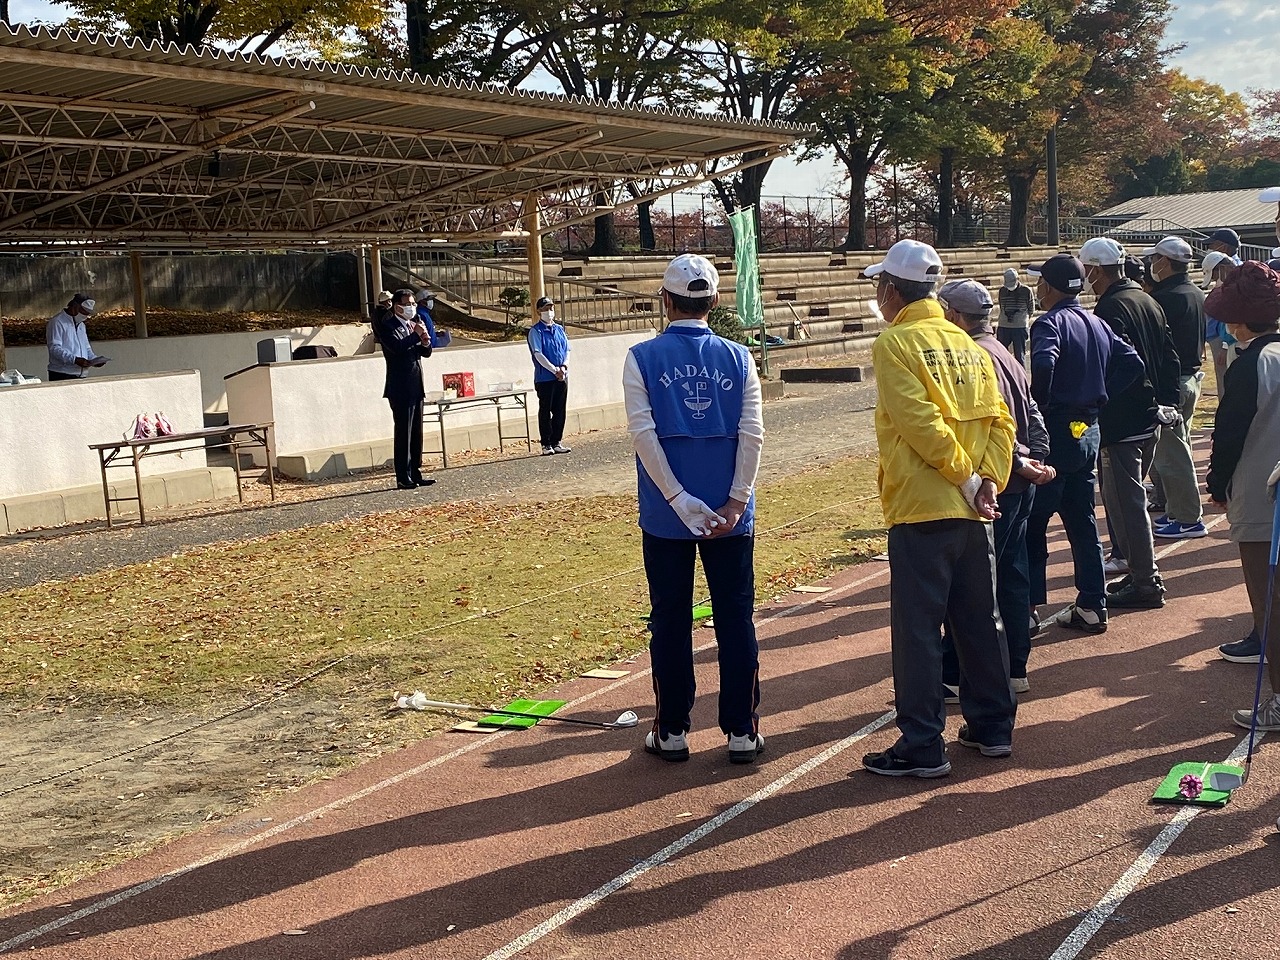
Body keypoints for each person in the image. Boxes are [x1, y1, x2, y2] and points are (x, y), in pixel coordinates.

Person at [861, 241, 1017, 779]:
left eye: (878, 286)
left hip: (923, 504)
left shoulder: (894, 342)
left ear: (890, 290)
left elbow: (919, 422)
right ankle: (993, 725)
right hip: (975, 508)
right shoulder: (968, 343)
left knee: (919, 630)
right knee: (980, 619)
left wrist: (967, 478)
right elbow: (1001, 420)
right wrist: (988, 480)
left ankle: (923, 741)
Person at [623, 254, 765, 764]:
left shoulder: (641, 357)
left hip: (666, 516)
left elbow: (644, 435)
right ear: (715, 300)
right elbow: (752, 434)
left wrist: (678, 499)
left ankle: (673, 730)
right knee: (735, 618)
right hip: (730, 515)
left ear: (666, 301)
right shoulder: (740, 357)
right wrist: (737, 499)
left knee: (669, 619)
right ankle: (742, 731)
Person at [939, 279, 1054, 700]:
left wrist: (1021, 461)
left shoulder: (973, 355)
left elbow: (994, 422)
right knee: (1012, 575)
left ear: (953, 314)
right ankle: (1015, 667)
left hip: (997, 481)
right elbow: (1032, 410)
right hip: (1019, 480)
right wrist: (1037, 457)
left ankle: (959, 673)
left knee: (976, 586)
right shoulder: (1005, 351)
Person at [1026, 254, 1144, 635]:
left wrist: (1039, 405)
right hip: (1088, 428)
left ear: (1049, 287)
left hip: (1058, 428)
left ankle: (1027, 608)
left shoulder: (1049, 323)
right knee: (1083, 520)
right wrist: (1102, 393)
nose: (1037, 288)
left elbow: (1044, 364)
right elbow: (1133, 363)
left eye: (1040, 282)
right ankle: (1093, 602)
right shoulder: (1097, 322)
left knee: (1033, 521)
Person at [1079, 237, 1181, 611]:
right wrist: (1167, 403)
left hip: (1126, 420)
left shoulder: (1111, 307)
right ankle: (1140, 572)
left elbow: (1125, 366)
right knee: (1127, 500)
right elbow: (1170, 356)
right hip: (1148, 417)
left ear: (1095, 270)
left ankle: (1145, 580)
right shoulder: (1146, 299)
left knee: (1126, 504)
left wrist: (1105, 403)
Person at [1204, 262, 1280, 732]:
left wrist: (1217, 485)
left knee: (1271, 604)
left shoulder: (1250, 364)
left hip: (1262, 498)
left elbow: (1228, 434)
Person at [1142, 237, 1207, 540]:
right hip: (1191, 378)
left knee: (1172, 454)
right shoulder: (1194, 292)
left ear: (1165, 261)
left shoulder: (1165, 297)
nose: (1151, 265)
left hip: (1173, 383)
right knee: (1179, 448)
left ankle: (1188, 517)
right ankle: (1178, 509)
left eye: (1154, 259)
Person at [372, 288, 434, 490]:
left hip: (416, 384)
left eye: (413, 304)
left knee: (416, 432)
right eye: (407, 304)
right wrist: (416, 336)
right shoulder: (388, 326)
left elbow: (424, 353)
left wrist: (425, 341)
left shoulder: (413, 324)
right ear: (397, 306)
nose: (411, 307)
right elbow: (396, 348)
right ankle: (403, 475)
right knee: (404, 432)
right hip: (400, 386)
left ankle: (416, 472)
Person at [528, 295, 571, 455]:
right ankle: (546, 443)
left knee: (560, 410)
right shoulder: (535, 331)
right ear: (539, 311)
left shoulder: (559, 329)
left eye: (551, 308)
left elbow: (567, 350)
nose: (549, 311)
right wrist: (554, 370)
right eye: (545, 308)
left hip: (562, 376)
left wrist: (564, 367)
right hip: (545, 378)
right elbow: (538, 354)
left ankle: (557, 441)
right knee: (546, 410)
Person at [46, 294, 108, 381]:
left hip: (81, 374)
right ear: (74, 307)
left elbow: (87, 348)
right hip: (62, 373)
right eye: (84, 312)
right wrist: (74, 360)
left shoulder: (81, 325)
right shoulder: (57, 322)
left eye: (88, 313)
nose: (86, 316)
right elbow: (54, 349)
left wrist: (94, 360)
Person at [996, 267, 1035, 366]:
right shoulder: (1002, 291)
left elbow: (1031, 308)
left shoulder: (1026, 291)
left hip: (1020, 326)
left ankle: (1021, 374)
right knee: (1001, 353)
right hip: (1004, 325)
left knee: (1019, 355)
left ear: (1018, 279)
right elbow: (1001, 306)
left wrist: (1023, 319)